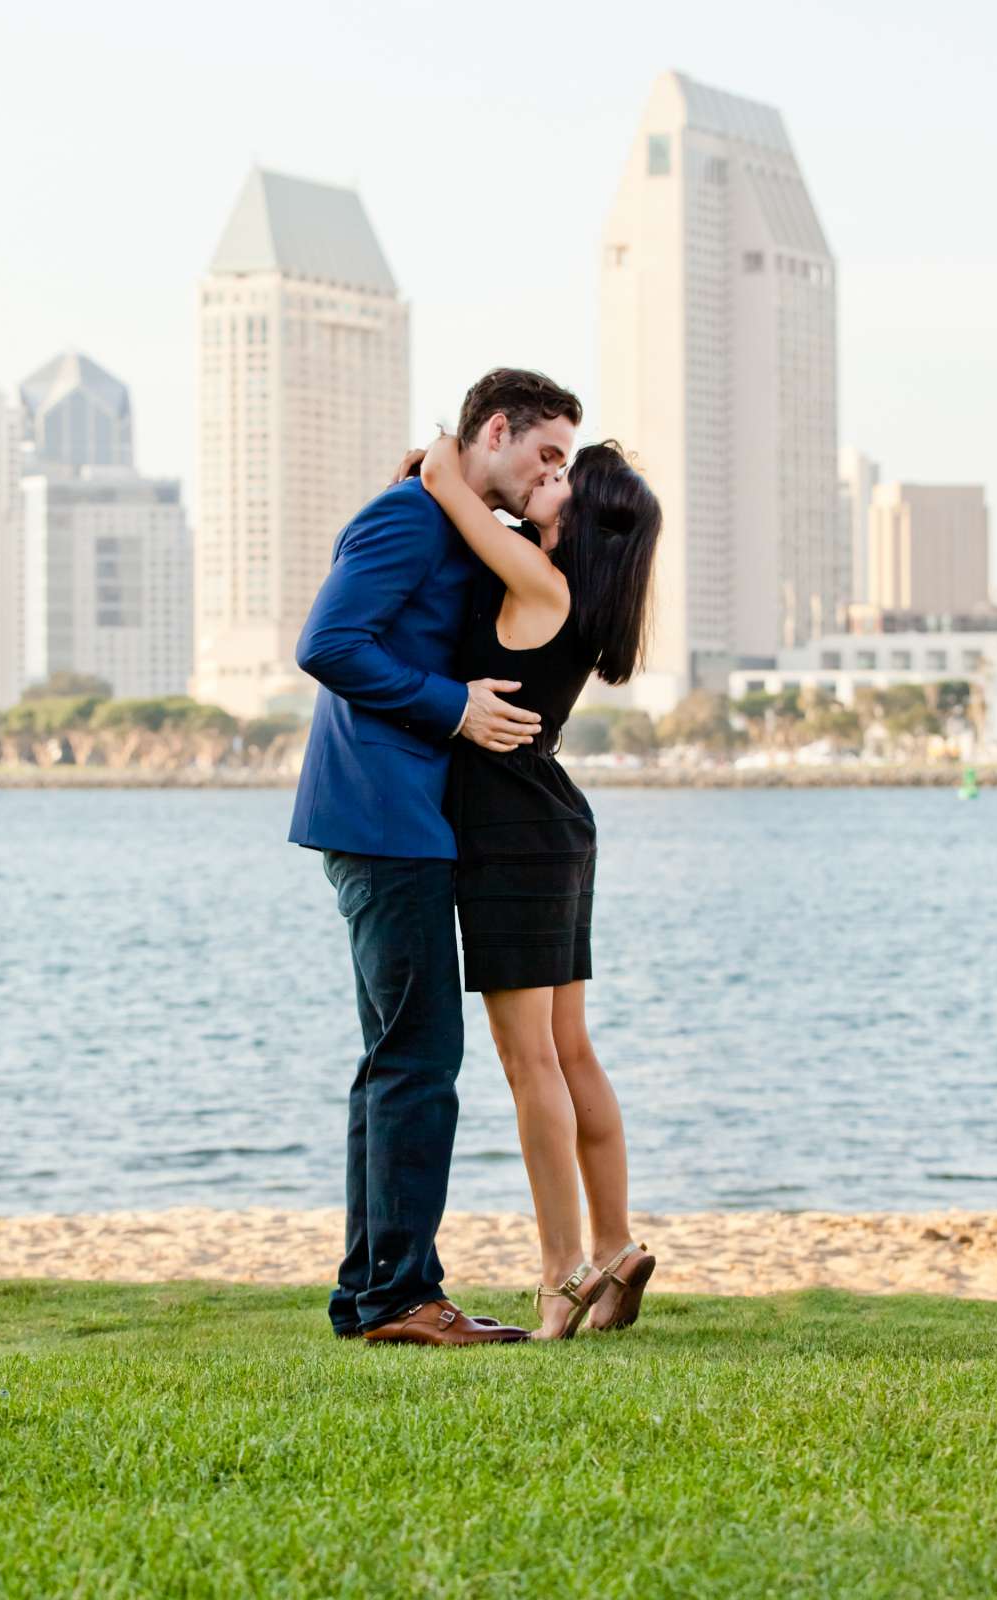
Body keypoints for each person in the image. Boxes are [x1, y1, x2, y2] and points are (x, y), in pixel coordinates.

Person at [288, 369, 580, 1347]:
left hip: (404, 817)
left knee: (398, 1062)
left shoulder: (442, 515)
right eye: (546, 454)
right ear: (493, 429)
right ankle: (399, 1298)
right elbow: (326, 642)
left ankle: (377, 1296)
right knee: (419, 1061)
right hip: (382, 814)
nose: (555, 476)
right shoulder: (410, 517)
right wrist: (452, 705)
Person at [414, 428, 663, 1340]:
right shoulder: (582, 598)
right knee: (572, 1051)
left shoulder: (538, 578)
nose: (546, 481)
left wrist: (458, 460)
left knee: (530, 1063)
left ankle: (562, 1274)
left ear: (582, 520)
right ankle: (615, 1243)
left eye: (565, 478)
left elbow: (445, 475)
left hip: (514, 831)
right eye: (548, 466)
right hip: (553, 819)